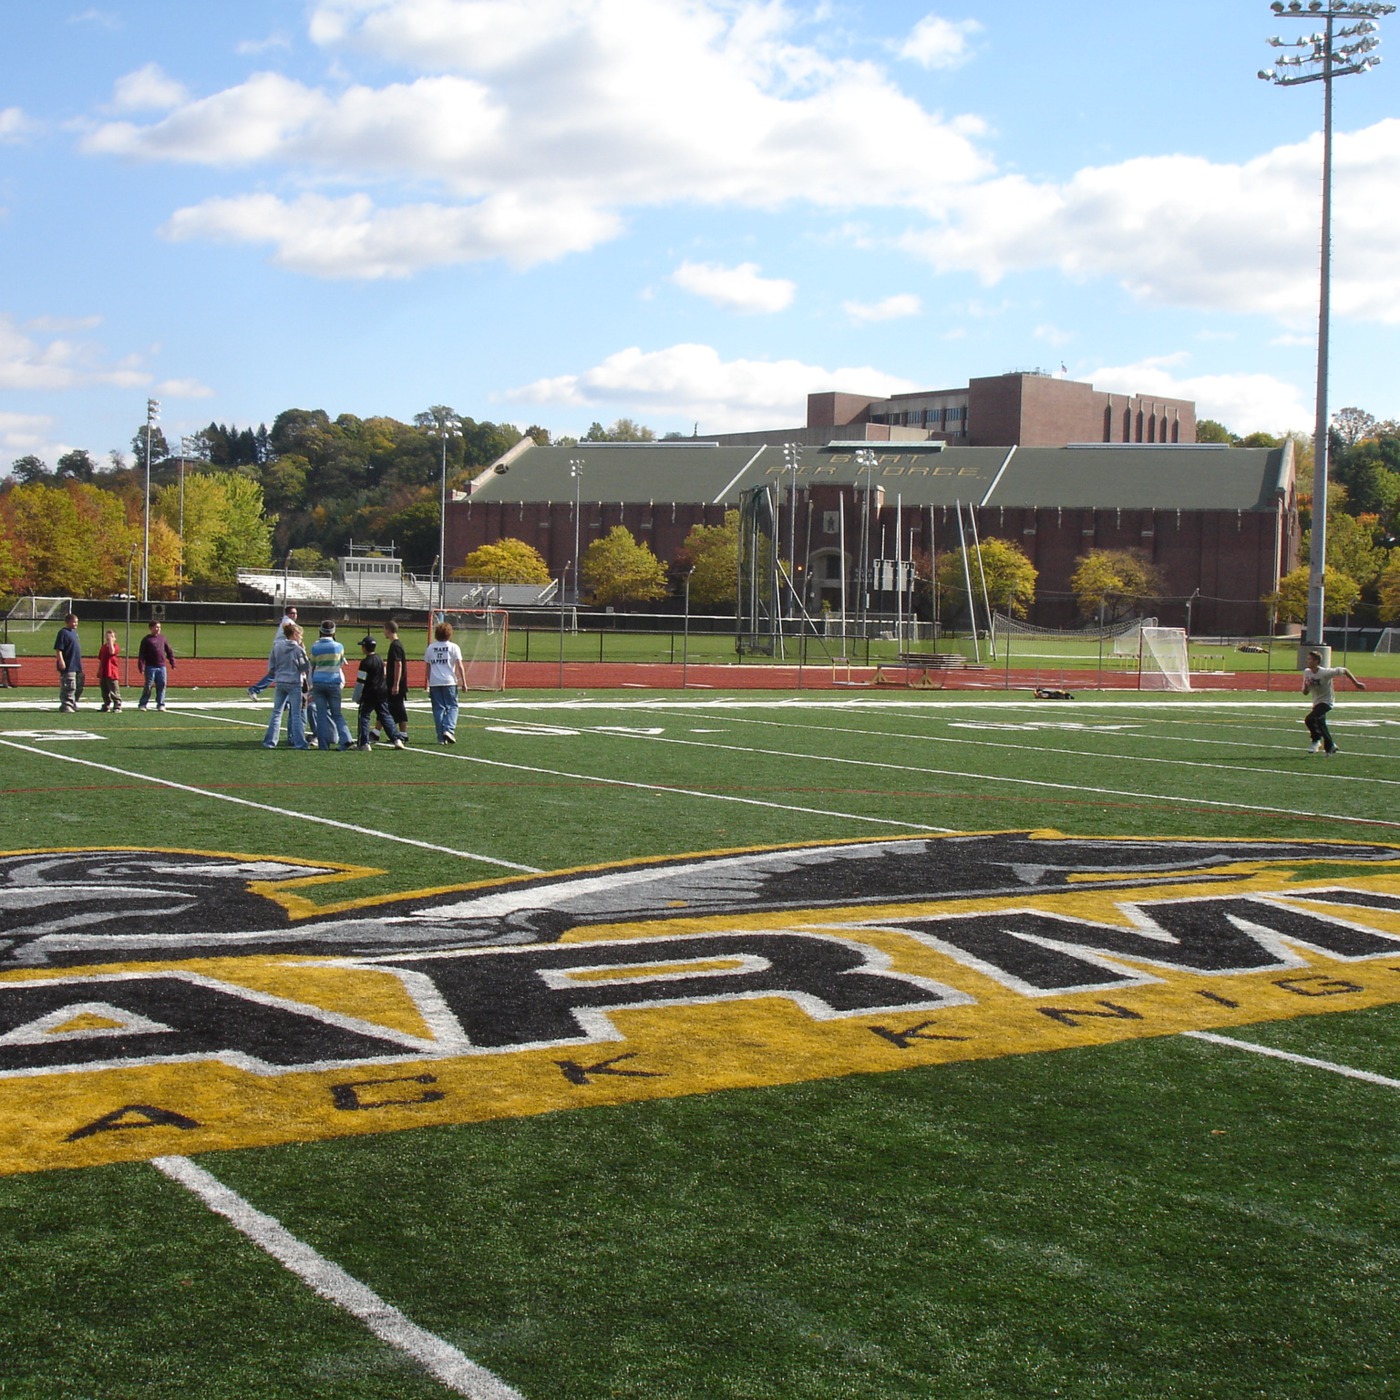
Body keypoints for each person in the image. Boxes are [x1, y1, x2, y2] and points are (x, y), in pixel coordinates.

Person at [1301, 649, 1365, 757]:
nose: (1308, 661)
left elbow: (1344, 670)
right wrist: (1307, 685)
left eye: (1310, 659)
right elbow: (1305, 693)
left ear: (1316, 661)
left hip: (1326, 702)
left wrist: (1356, 683)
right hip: (1316, 702)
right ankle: (1331, 746)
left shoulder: (1325, 672)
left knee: (1310, 719)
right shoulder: (1307, 672)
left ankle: (1316, 740)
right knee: (1321, 725)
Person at [262, 621, 311, 749]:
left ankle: (270, 742)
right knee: (296, 714)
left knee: (276, 712)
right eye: (300, 635)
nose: (301, 638)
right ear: (295, 634)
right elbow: (305, 667)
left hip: (280, 681)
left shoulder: (277, 647)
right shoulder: (298, 649)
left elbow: (271, 667)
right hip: (295, 682)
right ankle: (299, 742)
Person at [353, 636, 405, 750]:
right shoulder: (379, 659)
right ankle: (396, 739)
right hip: (381, 692)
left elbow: (361, 681)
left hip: (369, 694)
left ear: (365, 648)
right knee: (385, 716)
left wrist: (356, 696)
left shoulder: (365, 662)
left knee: (364, 716)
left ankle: (364, 743)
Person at [308, 619, 354, 750]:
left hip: (318, 681)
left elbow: (312, 666)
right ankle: (346, 738)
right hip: (333, 681)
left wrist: (311, 684)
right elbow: (340, 664)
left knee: (321, 715)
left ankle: (323, 745)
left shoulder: (315, 647)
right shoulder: (339, 646)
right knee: (337, 714)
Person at [424, 618, 468, 745]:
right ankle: (448, 729)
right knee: (452, 706)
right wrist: (464, 682)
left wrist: (428, 682)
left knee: (438, 709)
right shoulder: (454, 647)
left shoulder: (431, 648)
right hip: (449, 681)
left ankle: (440, 737)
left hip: (435, 681)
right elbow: (459, 665)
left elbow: (428, 667)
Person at [248, 605, 299, 698]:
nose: (294, 615)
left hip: (281, 648)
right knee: (283, 673)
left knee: (279, 673)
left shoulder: (286, 620)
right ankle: (255, 689)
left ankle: (256, 689)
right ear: (288, 614)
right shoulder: (288, 622)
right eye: (292, 613)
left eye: (295, 613)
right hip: (283, 649)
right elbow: (294, 637)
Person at [136, 620, 177, 711]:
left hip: (161, 666)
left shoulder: (163, 638)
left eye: (159, 627)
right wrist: (141, 666)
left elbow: (169, 651)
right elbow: (142, 654)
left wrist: (172, 662)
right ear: (151, 628)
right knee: (148, 685)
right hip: (150, 667)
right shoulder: (146, 640)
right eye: (156, 627)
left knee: (162, 684)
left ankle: (160, 704)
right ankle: (143, 704)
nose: (158, 629)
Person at [383, 618, 410, 744]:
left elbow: (398, 664)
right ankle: (378, 732)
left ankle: (403, 733)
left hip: (396, 683)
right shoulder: (395, 645)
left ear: (388, 630)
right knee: (391, 707)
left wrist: (396, 684)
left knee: (397, 707)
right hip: (395, 682)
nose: (383, 632)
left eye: (384, 629)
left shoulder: (395, 646)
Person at [53, 612, 84, 713]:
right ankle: (66, 704)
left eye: (77, 622)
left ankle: (73, 702)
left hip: (76, 664)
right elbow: (58, 649)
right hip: (68, 663)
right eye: (74, 622)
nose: (76, 624)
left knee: (79, 685)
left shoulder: (74, 633)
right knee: (70, 685)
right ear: (68, 622)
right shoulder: (63, 633)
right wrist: (61, 661)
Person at [97, 629, 123, 712]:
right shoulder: (103, 647)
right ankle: (106, 705)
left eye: (112, 636)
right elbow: (101, 659)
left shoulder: (115, 646)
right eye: (108, 636)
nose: (109, 638)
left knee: (114, 690)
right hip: (104, 671)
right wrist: (99, 670)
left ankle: (117, 705)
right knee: (104, 691)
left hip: (112, 672)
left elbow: (112, 652)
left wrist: (111, 642)